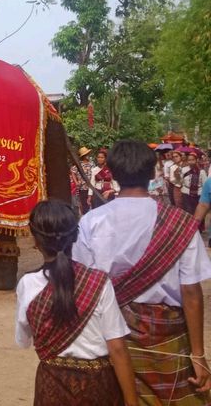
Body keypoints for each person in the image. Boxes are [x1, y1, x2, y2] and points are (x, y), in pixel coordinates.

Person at [73, 139, 211, 404]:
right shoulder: (180, 223)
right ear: (152, 173)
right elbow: (191, 293)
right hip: (169, 338)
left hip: (112, 335)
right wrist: (197, 355)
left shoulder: (92, 221)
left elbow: (83, 286)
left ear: (112, 173)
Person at [15, 200, 138, 406]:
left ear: (36, 241)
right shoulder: (98, 282)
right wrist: (132, 402)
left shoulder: (27, 284)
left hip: (52, 385)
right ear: (75, 237)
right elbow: (117, 347)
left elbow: (24, 340)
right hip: (99, 385)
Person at [182, 151, 208, 217]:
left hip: (198, 194)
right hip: (186, 193)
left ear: (196, 160)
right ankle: (191, 225)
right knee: (188, 211)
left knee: (198, 211)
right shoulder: (183, 170)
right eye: (189, 160)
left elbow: (205, 184)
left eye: (193, 160)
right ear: (187, 161)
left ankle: (198, 225)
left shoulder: (201, 171)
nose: (191, 161)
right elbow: (180, 181)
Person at [70, 146, 93, 215]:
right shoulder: (79, 164)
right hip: (82, 187)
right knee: (84, 204)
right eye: (86, 155)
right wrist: (76, 182)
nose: (87, 156)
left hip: (91, 187)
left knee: (91, 204)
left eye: (87, 154)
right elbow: (72, 171)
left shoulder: (91, 163)